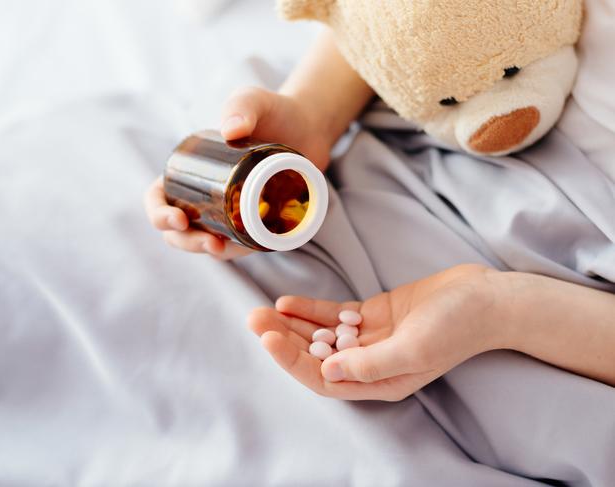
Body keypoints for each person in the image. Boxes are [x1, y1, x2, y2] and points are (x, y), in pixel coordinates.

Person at [144, 31, 615, 400]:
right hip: (386, 111)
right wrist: (314, 111)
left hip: (561, 308)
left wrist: (502, 310)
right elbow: (406, 18)